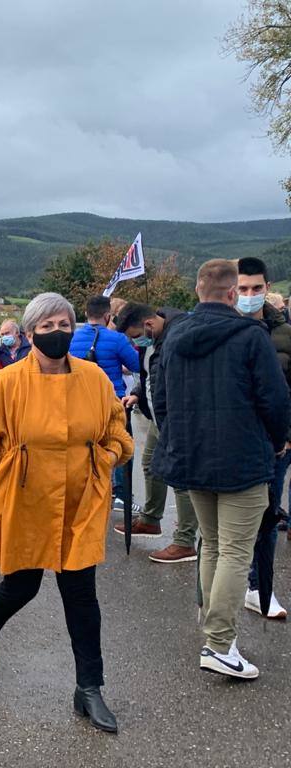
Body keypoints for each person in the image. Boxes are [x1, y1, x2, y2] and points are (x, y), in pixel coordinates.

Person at [0, 292, 134, 733]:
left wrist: (109, 457)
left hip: (80, 501)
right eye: (48, 326)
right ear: (30, 331)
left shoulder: (93, 378)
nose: (57, 333)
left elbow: (116, 428)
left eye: (64, 324)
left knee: (81, 595)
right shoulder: (5, 382)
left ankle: (89, 689)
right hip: (26, 500)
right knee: (21, 587)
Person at [152, 260, 290, 679]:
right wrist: (279, 438)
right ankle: (219, 643)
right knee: (234, 549)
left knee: (211, 545)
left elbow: (160, 395)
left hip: (191, 456)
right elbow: (275, 398)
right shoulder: (251, 336)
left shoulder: (174, 337)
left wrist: (175, 438)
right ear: (233, 294)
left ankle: (212, 624)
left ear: (198, 291)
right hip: (242, 460)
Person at [113, 305, 199, 562]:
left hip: (176, 420)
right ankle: (151, 519)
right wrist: (137, 394)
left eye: (136, 334)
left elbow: (183, 381)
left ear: (149, 323)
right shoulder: (152, 341)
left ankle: (185, 541)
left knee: (179, 477)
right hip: (156, 418)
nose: (134, 340)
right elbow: (150, 375)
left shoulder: (178, 337)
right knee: (150, 464)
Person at [236, 257, 291, 619]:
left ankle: (260, 588)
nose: (250, 295)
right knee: (221, 526)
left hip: (275, 444)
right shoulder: (220, 329)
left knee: (268, 517)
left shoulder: (284, 333)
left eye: (257, 288)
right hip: (233, 444)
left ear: (267, 288)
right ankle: (214, 597)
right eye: (243, 289)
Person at [70, 295, 140, 511]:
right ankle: (119, 494)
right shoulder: (116, 339)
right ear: (108, 315)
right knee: (118, 445)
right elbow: (137, 365)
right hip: (113, 401)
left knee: (86, 446)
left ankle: (86, 491)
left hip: (79, 400)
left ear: (85, 313)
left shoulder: (72, 338)